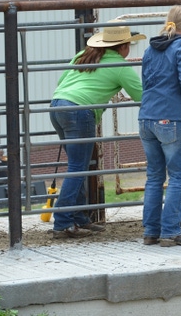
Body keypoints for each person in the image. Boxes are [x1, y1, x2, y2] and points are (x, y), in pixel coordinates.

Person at [49, 22, 145, 239]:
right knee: (78, 167)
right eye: (129, 44)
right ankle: (63, 222)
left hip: (57, 106)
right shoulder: (119, 65)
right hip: (80, 111)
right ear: (122, 47)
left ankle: (79, 217)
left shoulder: (83, 55)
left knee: (79, 165)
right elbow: (142, 96)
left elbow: (61, 81)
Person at [139, 6, 181, 247]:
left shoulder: (151, 48)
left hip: (147, 118)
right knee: (178, 177)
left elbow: (145, 80)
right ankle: (171, 231)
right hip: (171, 117)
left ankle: (151, 232)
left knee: (154, 177)